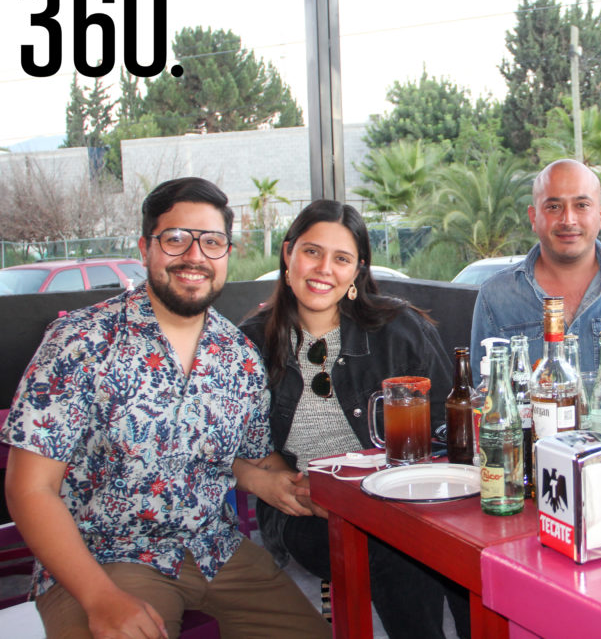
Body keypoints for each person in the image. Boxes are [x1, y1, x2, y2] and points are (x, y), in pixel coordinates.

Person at [1, 177, 329, 638]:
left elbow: (252, 458)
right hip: (104, 556)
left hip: (216, 550)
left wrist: (289, 486)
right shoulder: (81, 341)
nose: (195, 257)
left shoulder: (238, 356)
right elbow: (29, 490)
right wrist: (99, 597)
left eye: (212, 242)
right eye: (176, 239)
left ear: (226, 254)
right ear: (145, 247)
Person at [237, 199, 469, 639]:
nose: (324, 268)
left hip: (406, 495)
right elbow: (232, 447)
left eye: (341, 258)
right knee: (398, 557)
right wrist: (278, 482)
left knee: (461, 561)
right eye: (312, 252)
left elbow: (446, 427)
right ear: (288, 254)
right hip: (305, 507)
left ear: (357, 271)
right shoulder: (249, 343)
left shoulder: (400, 328)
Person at [470, 158, 601, 397]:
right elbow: (485, 398)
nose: (568, 220)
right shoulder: (497, 296)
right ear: (533, 217)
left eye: (582, 205)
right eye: (553, 207)